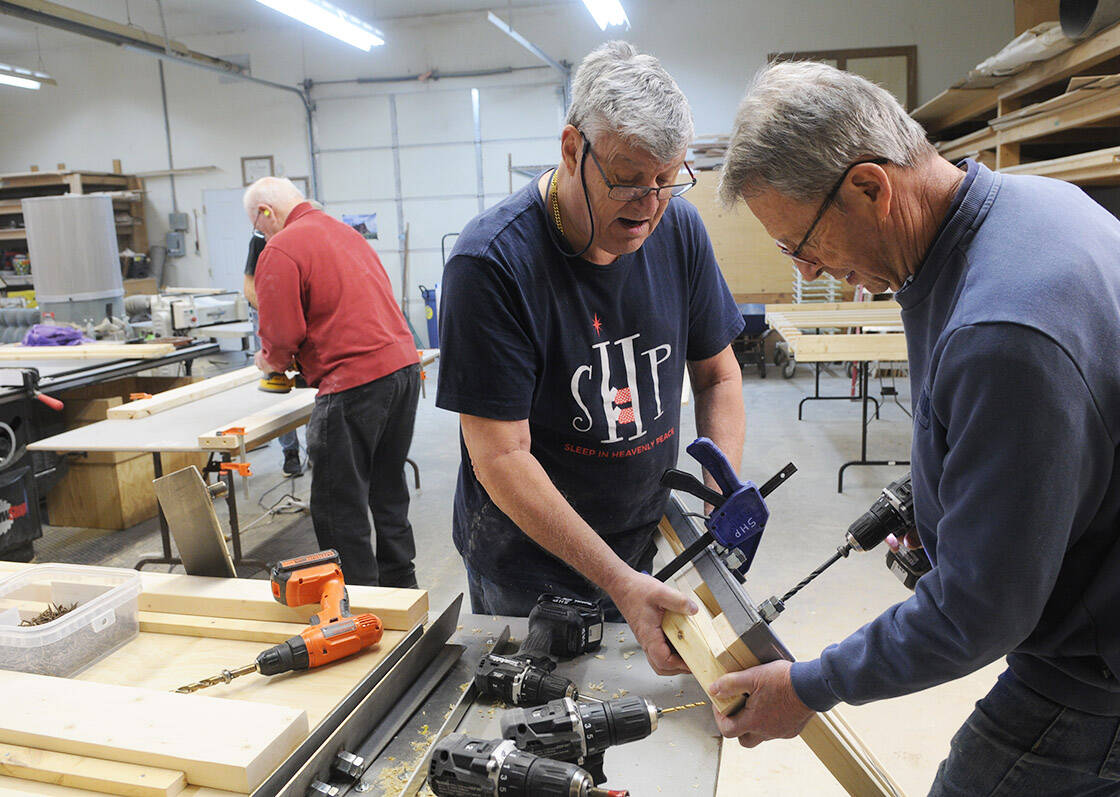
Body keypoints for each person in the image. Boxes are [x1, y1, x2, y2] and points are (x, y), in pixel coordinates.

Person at [710, 61, 1120, 795]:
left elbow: (978, 612)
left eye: (802, 245)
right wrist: (943, 495)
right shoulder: (1034, 208)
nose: (811, 267)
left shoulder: (1002, 327)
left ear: (870, 187)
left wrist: (809, 685)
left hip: (1109, 677)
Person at [437, 41, 746, 674]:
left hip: (640, 536)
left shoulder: (679, 229)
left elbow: (718, 375)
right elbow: (500, 456)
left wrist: (721, 492)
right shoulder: (492, 263)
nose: (650, 205)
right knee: (531, 732)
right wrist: (615, 581)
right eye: (629, 180)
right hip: (528, 565)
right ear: (573, 147)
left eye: (668, 180)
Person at [244, 176, 422, 588]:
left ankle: (357, 601)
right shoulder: (345, 233)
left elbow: (282, 334)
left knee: (337, 504)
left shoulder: (282, 247)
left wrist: (269, 361)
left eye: (257, 226)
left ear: (266, 213)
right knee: (387, 487)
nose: (261, 234)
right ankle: (401, 587)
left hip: (353, 382)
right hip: (402, 370)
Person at [243, 230, 302, 477]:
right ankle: (291, 452)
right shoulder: (261, 238)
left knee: (312, 384)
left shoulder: (304, 237)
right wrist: (271, 316)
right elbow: (249, 284)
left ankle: (321, 452)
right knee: (278, 384)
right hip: (270, 311)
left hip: (300, 310)